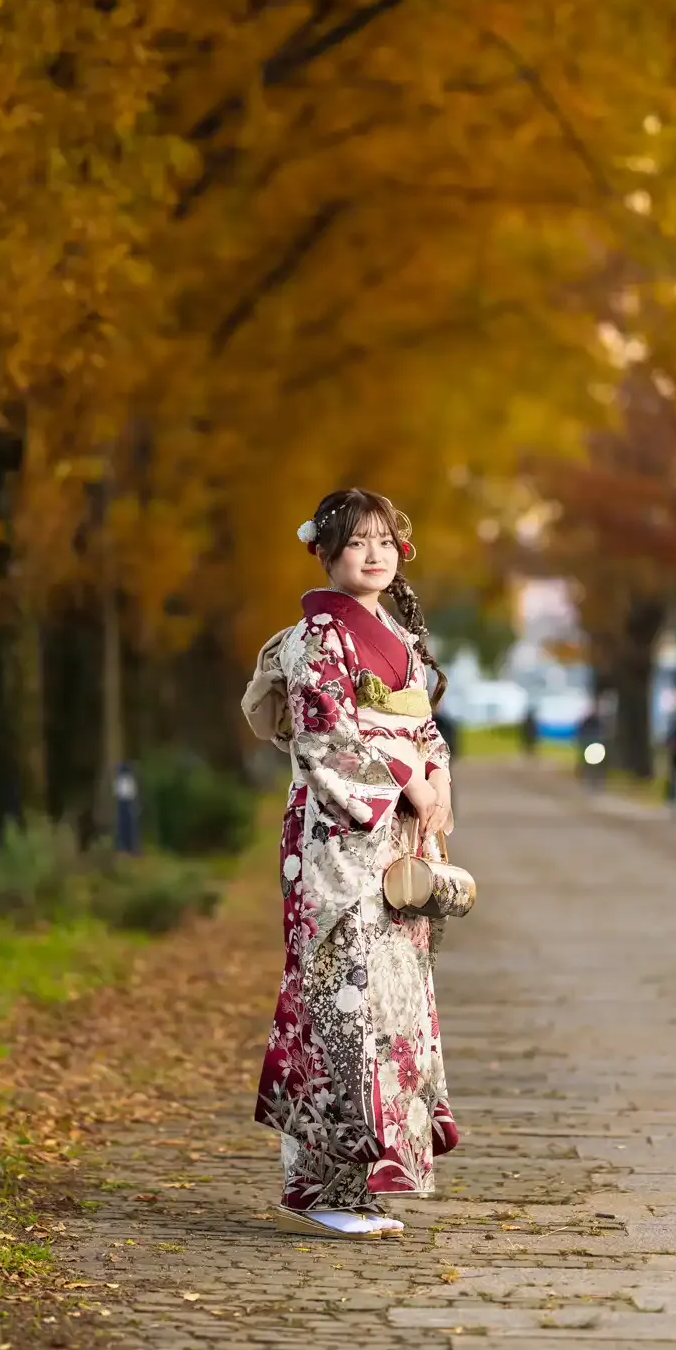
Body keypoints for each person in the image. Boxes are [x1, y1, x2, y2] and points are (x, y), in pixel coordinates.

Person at [254, 488, 459, 1238]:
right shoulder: (314, 639)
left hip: (396, 840)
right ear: (325, 552)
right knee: (340, 1003)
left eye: (383, 541)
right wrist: (405, 776)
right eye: (354, 542)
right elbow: (322, 736)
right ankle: (321, 1188)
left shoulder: (396, 638)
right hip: (337, 844)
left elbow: (425, 728)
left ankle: (364, 1182)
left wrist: (435, 780)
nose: (372, 555)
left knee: (392, 1006)